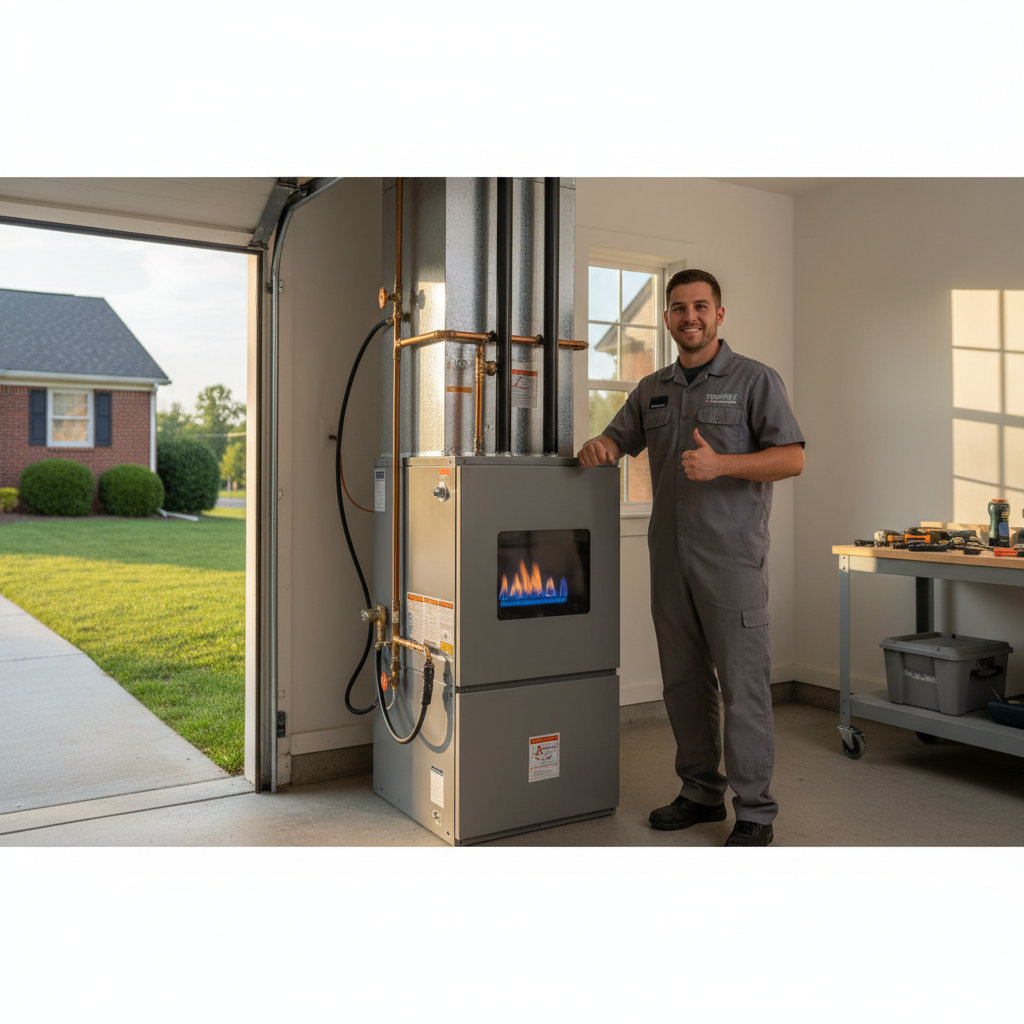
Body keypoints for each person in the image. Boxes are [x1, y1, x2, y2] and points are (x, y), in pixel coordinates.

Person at [577, 269, 805, 846]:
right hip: (669, 559)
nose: (690, 317)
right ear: (668, 318)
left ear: (719, 314)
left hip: (731, 561)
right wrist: (601, 446)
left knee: (742, 684)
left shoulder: (755, 380)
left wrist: (723, 465)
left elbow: (792, 458)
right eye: (678, 308)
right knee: (682, 682)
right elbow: (616, 439)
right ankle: (701, 792)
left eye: (700, 306)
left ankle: (755, 810)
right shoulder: (652, 388)